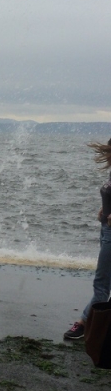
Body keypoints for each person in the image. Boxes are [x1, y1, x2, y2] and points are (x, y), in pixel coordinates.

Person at [64, 138, 111, 340]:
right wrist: (104, 208)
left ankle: (84, 324)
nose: (106, 156)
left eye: (108, 152)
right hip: (106, 228)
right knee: (104, 281)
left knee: (101, 284)